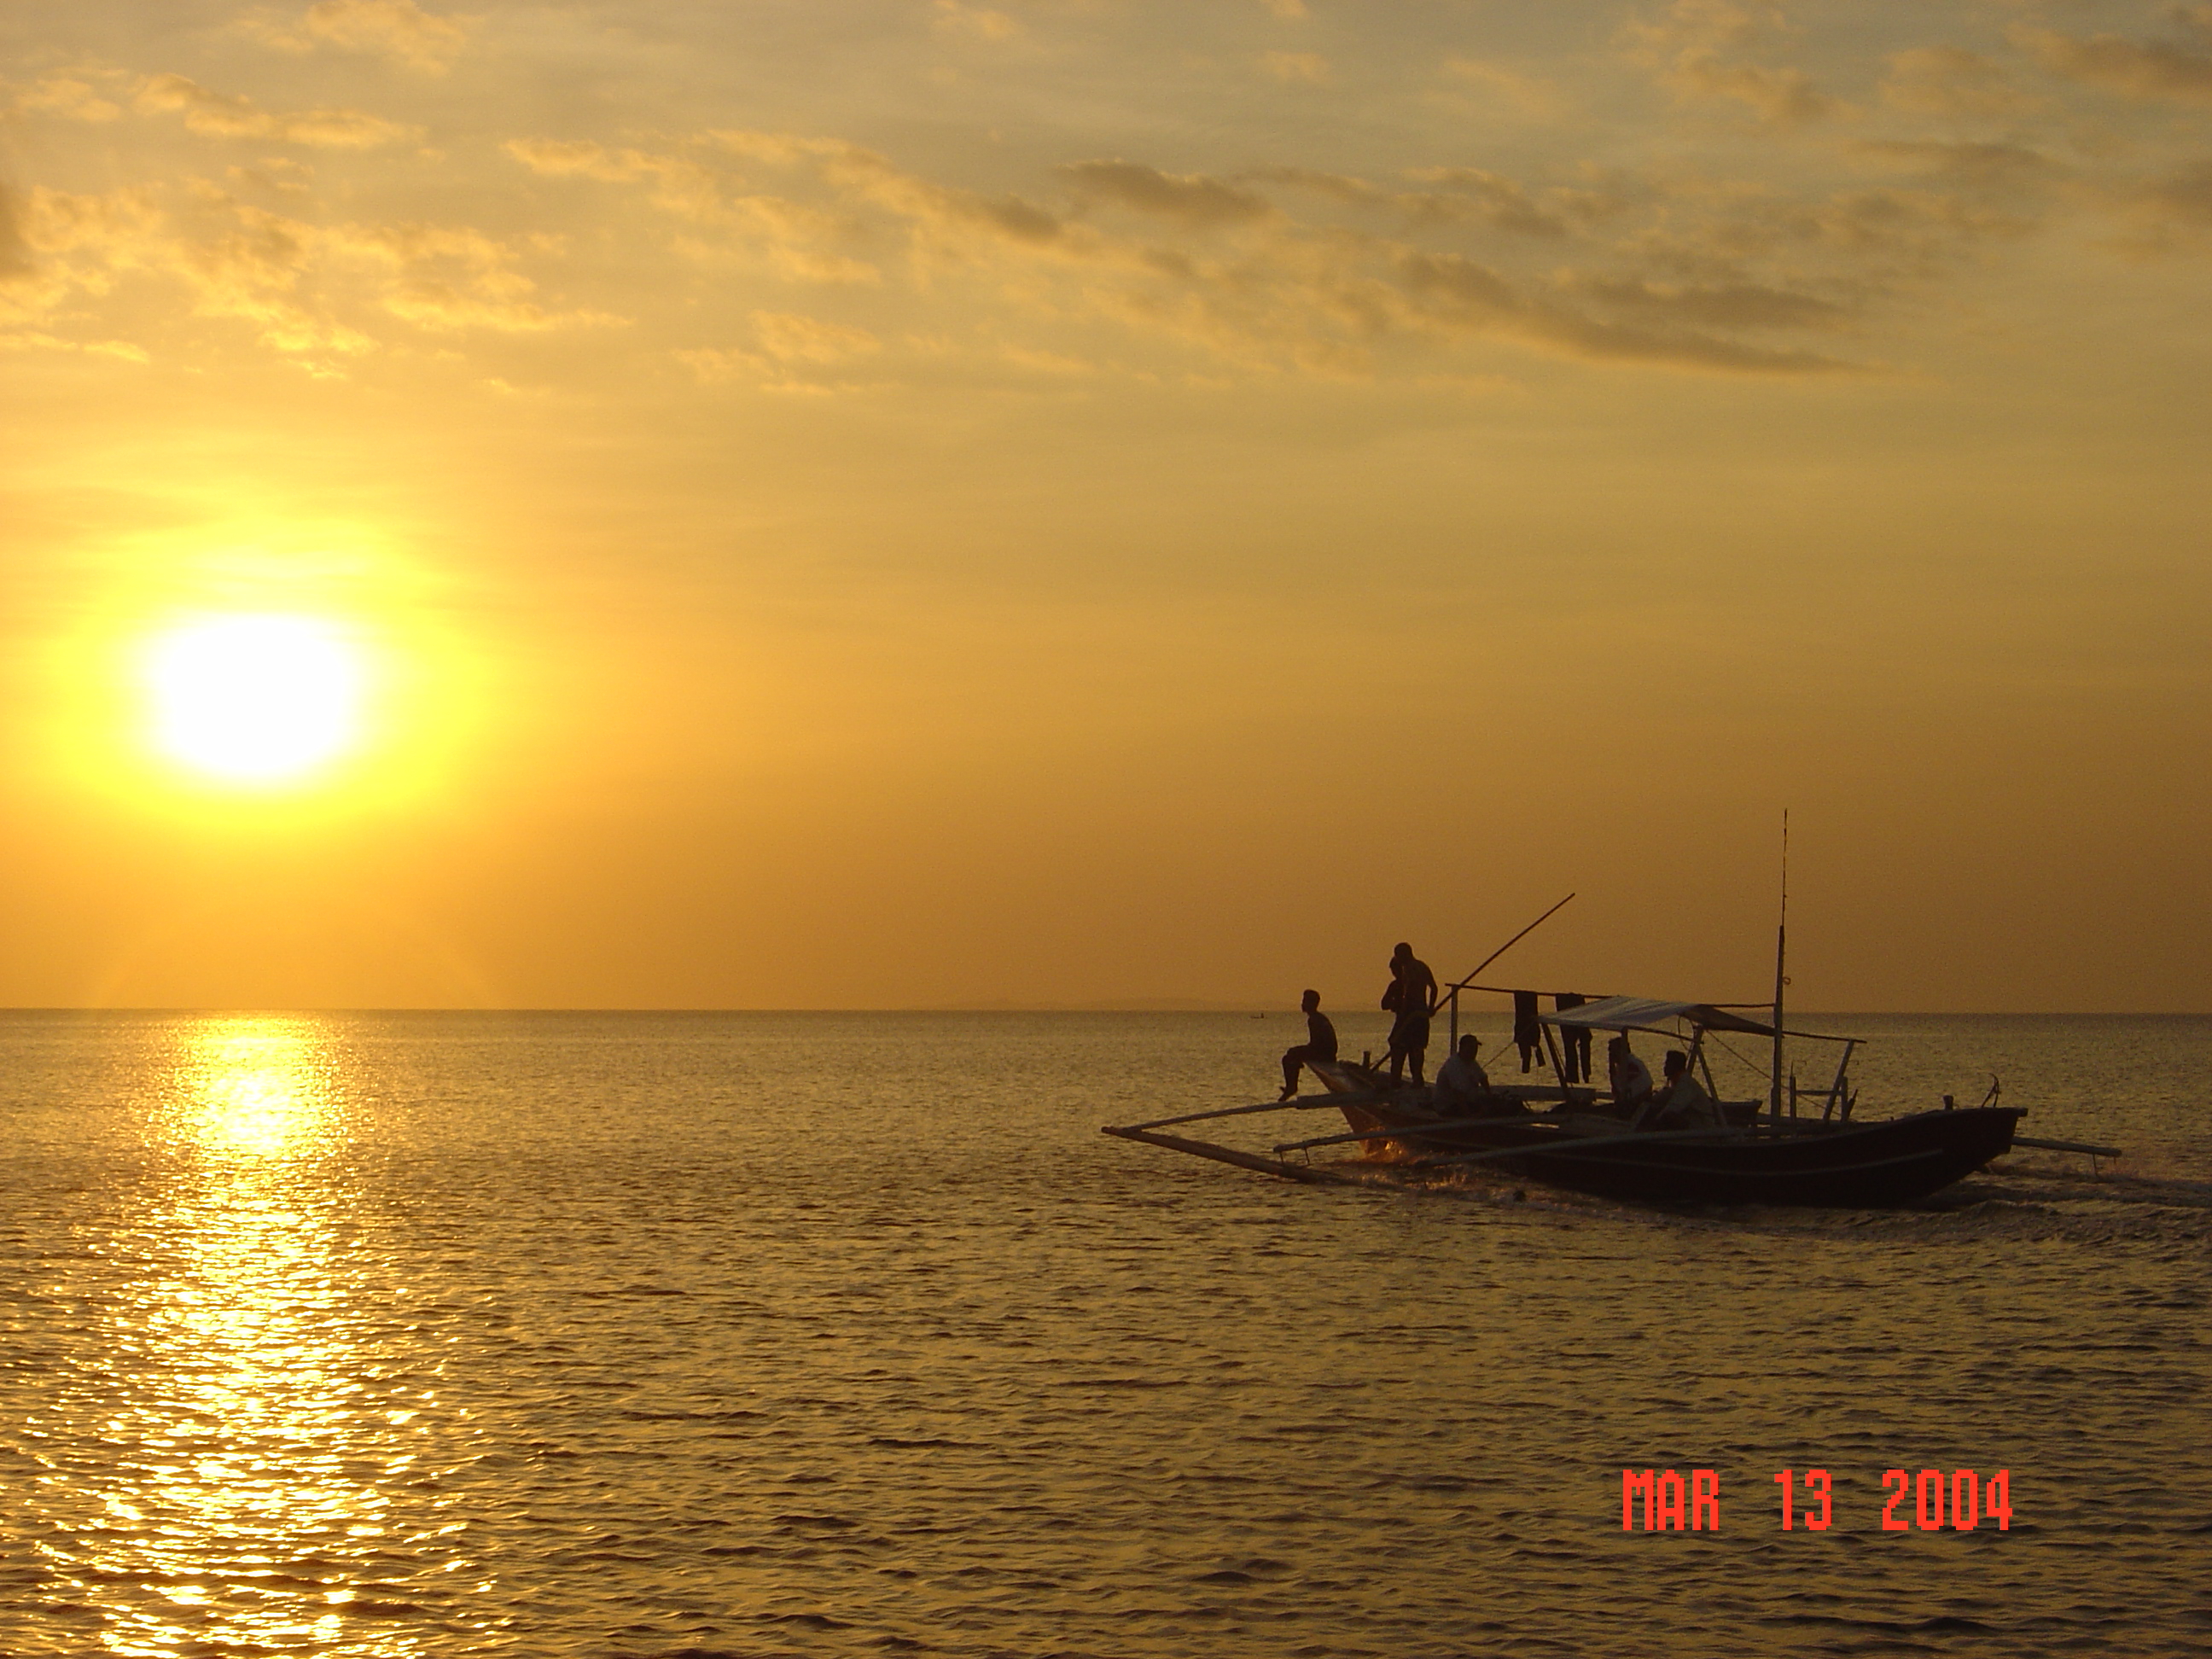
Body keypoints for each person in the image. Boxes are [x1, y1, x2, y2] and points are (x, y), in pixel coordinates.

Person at [1382, 942, 1439, 1086]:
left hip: (1410, 1014)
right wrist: (1430, 1008)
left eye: (1397, 955)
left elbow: (1408, 994)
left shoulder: (1408, 969)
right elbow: (1434, 988)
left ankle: (1396, 1081)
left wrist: (1402, 1011)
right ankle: (1417, 1080)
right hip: (1421, 1014)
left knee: (1397, 1044)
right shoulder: (1423, 966)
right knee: (1416, 1048)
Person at [1279, 989, 1338, 1100]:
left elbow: (1316, 1044)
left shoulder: (1315, 1020)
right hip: (1325, 1052)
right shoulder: (1318, 1018)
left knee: (1288, 1057)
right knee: (1292, 1054)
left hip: (1325, 1054)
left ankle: (1291, 1087)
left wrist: (1300, 1053)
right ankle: (1292, 1083)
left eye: (1305, 1001)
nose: (1302, 1004)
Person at [1643, 1050, 1720, 1130]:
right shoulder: (1676, 1083)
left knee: (1669, 1116)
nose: (1664, 1067)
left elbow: (1674, 1107)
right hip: (1691, 1121)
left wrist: (1654, 1122)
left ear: (1675, 1066)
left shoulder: (1686, 1084)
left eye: (1667, 1063)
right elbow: (1665, 1095)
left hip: (1701, 1126)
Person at [1432, 1033, 1495, 1115]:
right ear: (1463, 1048)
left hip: (1466, 1100)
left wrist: (1489, 1096)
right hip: (1448, 1105)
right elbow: (1458, 1093)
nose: (1475, 1051)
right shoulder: (1454, 1065)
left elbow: (1483, 1078)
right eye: (1471, 1048)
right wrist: (1467, 1114)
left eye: (1476, 1048)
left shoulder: (1472, 1062)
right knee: (1484, 1111)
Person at [1608, 1036, 1654, 1110]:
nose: (1610, 1054)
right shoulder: (1627, 1063)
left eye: (1612, 1050)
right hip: (1637, 1102)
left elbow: (1618, 1091)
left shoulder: (1630, 1066)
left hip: (1637, 1106)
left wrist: (1611, 1067)